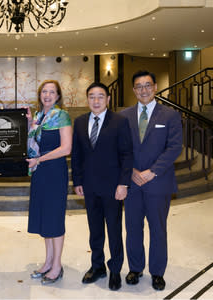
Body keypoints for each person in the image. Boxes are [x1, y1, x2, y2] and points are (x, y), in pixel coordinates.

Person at [119, 70, 182, 291]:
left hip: (158, 182)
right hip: (133, 183)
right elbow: (120, 149)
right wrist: (132, 171)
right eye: (139, 86)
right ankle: (135, 268)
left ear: (155, 87)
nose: (143, 90)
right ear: (133, 90)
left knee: (158, 229)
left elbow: (174, 148)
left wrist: (152, 171)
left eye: (147, 85)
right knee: (133, 227)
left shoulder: (170, 115)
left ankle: (157, 272)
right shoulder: (124, 116)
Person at [71, 82, 133, 291]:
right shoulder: (79, 122)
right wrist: (77, 181)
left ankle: (115, 269)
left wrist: (123, 183)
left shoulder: (119, 121)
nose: (95, 101)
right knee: (94, 229)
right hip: (89, 186)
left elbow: (126, 155)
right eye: (91, 97)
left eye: (100, 96)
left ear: (107, 99)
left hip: (113, 187)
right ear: (87, 99)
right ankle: (97, 266)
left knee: (114, 230)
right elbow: (77, 155)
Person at [26, 80, 72, 285]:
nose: (47, 95)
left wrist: (40, 159)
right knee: (45, 218)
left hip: (54, 172)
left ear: (58, 96)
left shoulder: (61, 116)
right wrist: (29, 126)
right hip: (39, 172)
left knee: (54, 219)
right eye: (44, 91)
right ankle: (48, 262)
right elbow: (35, 142)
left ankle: (57, 266)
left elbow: (66, 148)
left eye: (52, 92)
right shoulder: (37, 117)